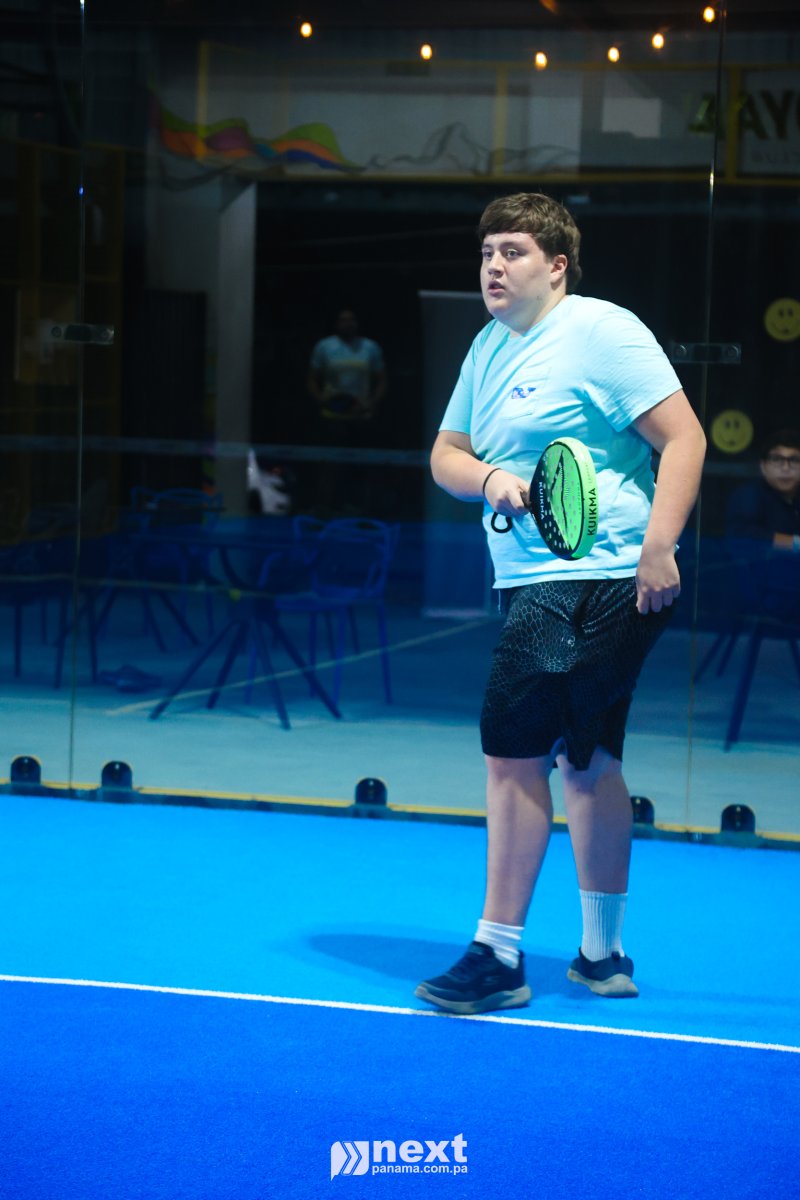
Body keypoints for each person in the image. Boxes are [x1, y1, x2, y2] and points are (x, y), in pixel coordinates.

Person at [415, 192, 706, 1015]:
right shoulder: (487, 346)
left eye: (512, 252)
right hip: (532, 579)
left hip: (599, 577)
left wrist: (659, 546)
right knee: (589, 759)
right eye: (486, 253)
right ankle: (602, 955)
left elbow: (685, 437)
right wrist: (491, 479)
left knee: (512, 753)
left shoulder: (604, 332)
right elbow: (446, 453)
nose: (494, 266)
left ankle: (497, 956)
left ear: (557, 265)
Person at [724, 429, 800, 620]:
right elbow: (742, 536)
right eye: (777, 459)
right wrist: (793, 543)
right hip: (763, 591)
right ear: (763, 465)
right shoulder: (749, 496)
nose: (785, 467)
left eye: (794, 460)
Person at [307, 309, 386, 427]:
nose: (348, 323)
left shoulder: (371, 347)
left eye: (351, 320)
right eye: (343, 320)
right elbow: (311, 379)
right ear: (336, 324)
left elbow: (382, 380)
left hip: (361, 413)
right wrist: (322, 401)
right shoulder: (324, 346)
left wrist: (372, 403)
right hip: (332, 415)